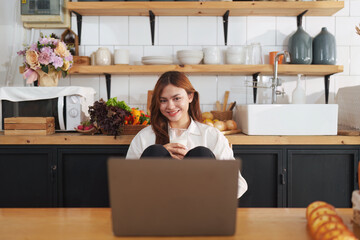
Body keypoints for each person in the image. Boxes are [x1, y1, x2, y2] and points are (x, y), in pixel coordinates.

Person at [126, 71, 247, 198]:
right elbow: (125, 183)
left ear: (190, 97)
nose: (170, 106)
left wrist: (202, 169)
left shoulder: (211, 135)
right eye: (163, 100)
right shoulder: (145, 137)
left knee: (201, 154)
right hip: (157, 209)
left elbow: (238, 184)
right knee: (154, 152)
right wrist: (159, 157)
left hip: (199, 209)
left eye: (176, 98)